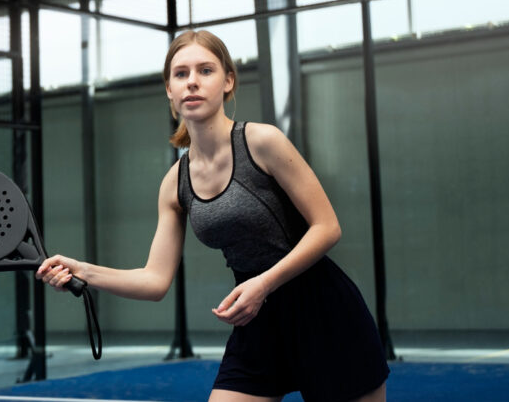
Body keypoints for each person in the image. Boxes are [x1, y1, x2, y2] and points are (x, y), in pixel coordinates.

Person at [36, 30, 389, 402]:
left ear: (228, 81)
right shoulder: (175, 183)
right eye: (181, 73)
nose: (192, 82)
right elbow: (155, 281)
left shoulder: (263, 142)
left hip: (324, 311)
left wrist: (264, 284)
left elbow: (327, 227)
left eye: (205, 70)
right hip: (256, 323)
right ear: (169, 90)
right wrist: (82, 271)